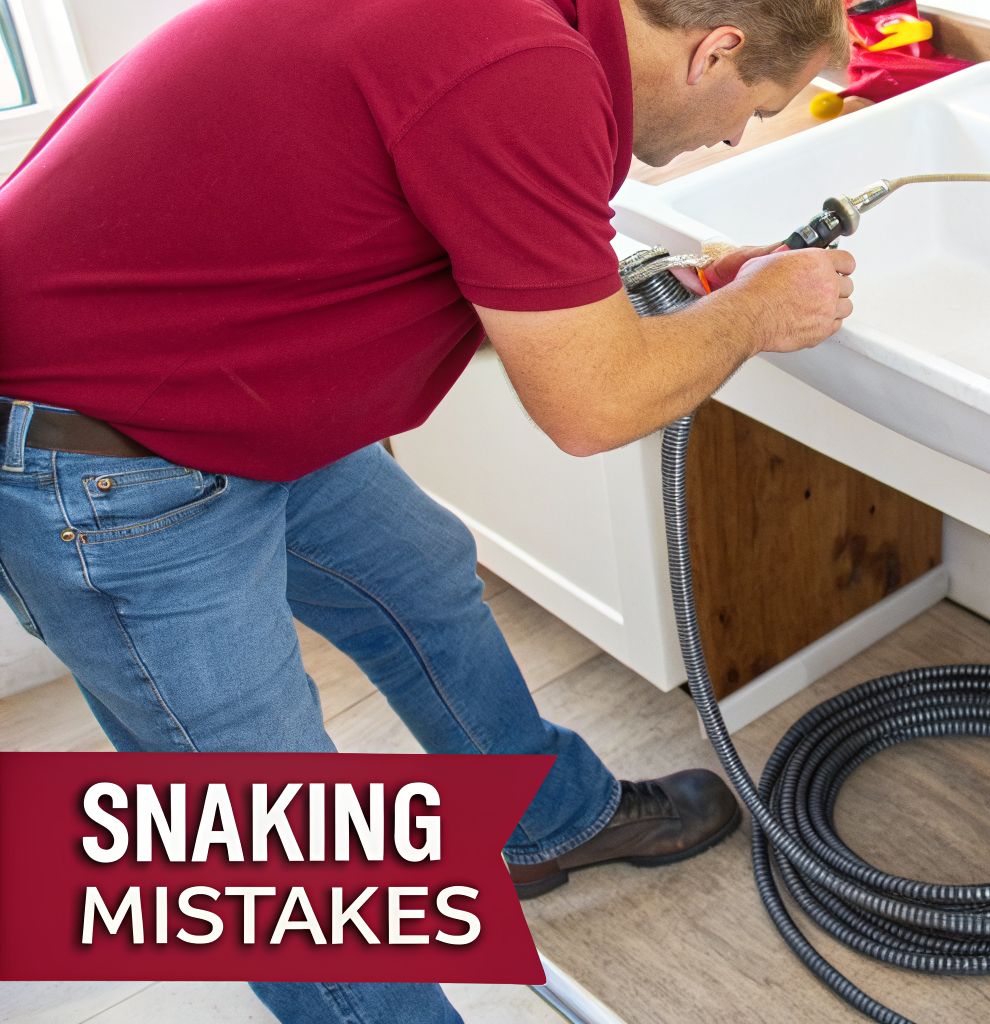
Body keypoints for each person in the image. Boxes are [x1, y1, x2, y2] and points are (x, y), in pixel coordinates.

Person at [0, 0, 854, 1019]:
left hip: (219, 380)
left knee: (418, 577)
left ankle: (546, 819)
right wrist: (754, 312)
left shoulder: (531, 35)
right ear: (713, 48)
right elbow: (592, 406)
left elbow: (477, 260)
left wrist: (660, 299)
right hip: (102, 448)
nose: (733, 135)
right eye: (753, 107)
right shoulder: (522, 68)